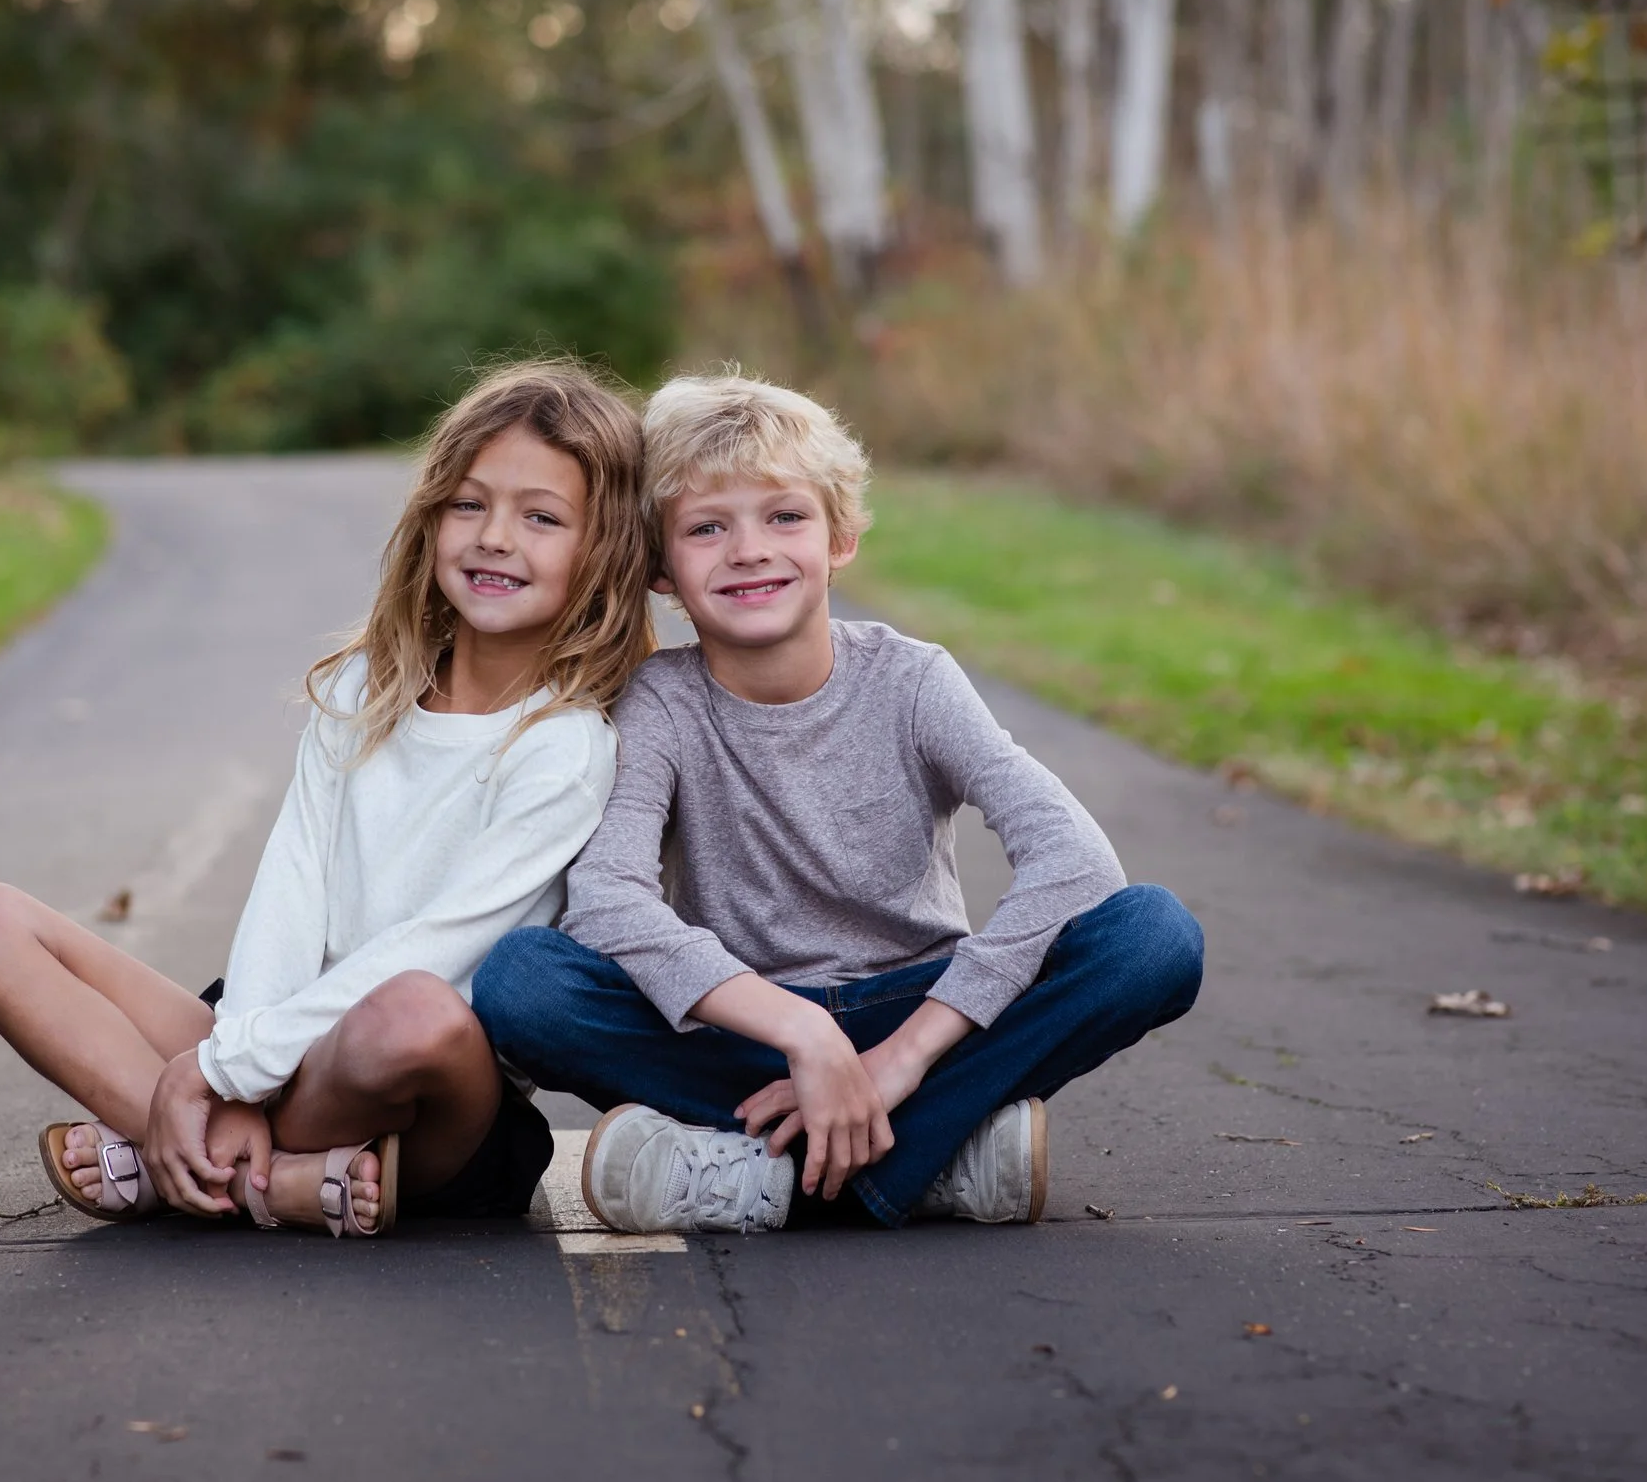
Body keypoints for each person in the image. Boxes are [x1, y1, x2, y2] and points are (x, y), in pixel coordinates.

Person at [472, 371, 1204, 1233]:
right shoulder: (659, 702)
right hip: (749, 1029)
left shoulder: (914, 680)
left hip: (919, 1006)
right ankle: (931, 1152)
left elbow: (1075, 860)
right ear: (661, 568)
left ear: (842, 536)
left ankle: (783, 1168)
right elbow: (607, 900)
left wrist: (900, 1059)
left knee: (1152, 936)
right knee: (524, 980)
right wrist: (805, 1034)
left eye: (785, 516)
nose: (749, 550)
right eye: (707, 527)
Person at [0, 360, 652, 1237]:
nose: (495, 537)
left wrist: (224, 1073)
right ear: (431, 517)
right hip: (277, 1036)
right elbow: (294, 880)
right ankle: (258, 1175)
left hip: (427, 1105)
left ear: (603, 550)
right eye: (469, 504)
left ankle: (179, 1157)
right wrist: (235, 1063)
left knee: (415, 1008)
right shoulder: (366, 687)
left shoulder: (566, 746)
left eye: (541, 517)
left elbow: (442, 949)